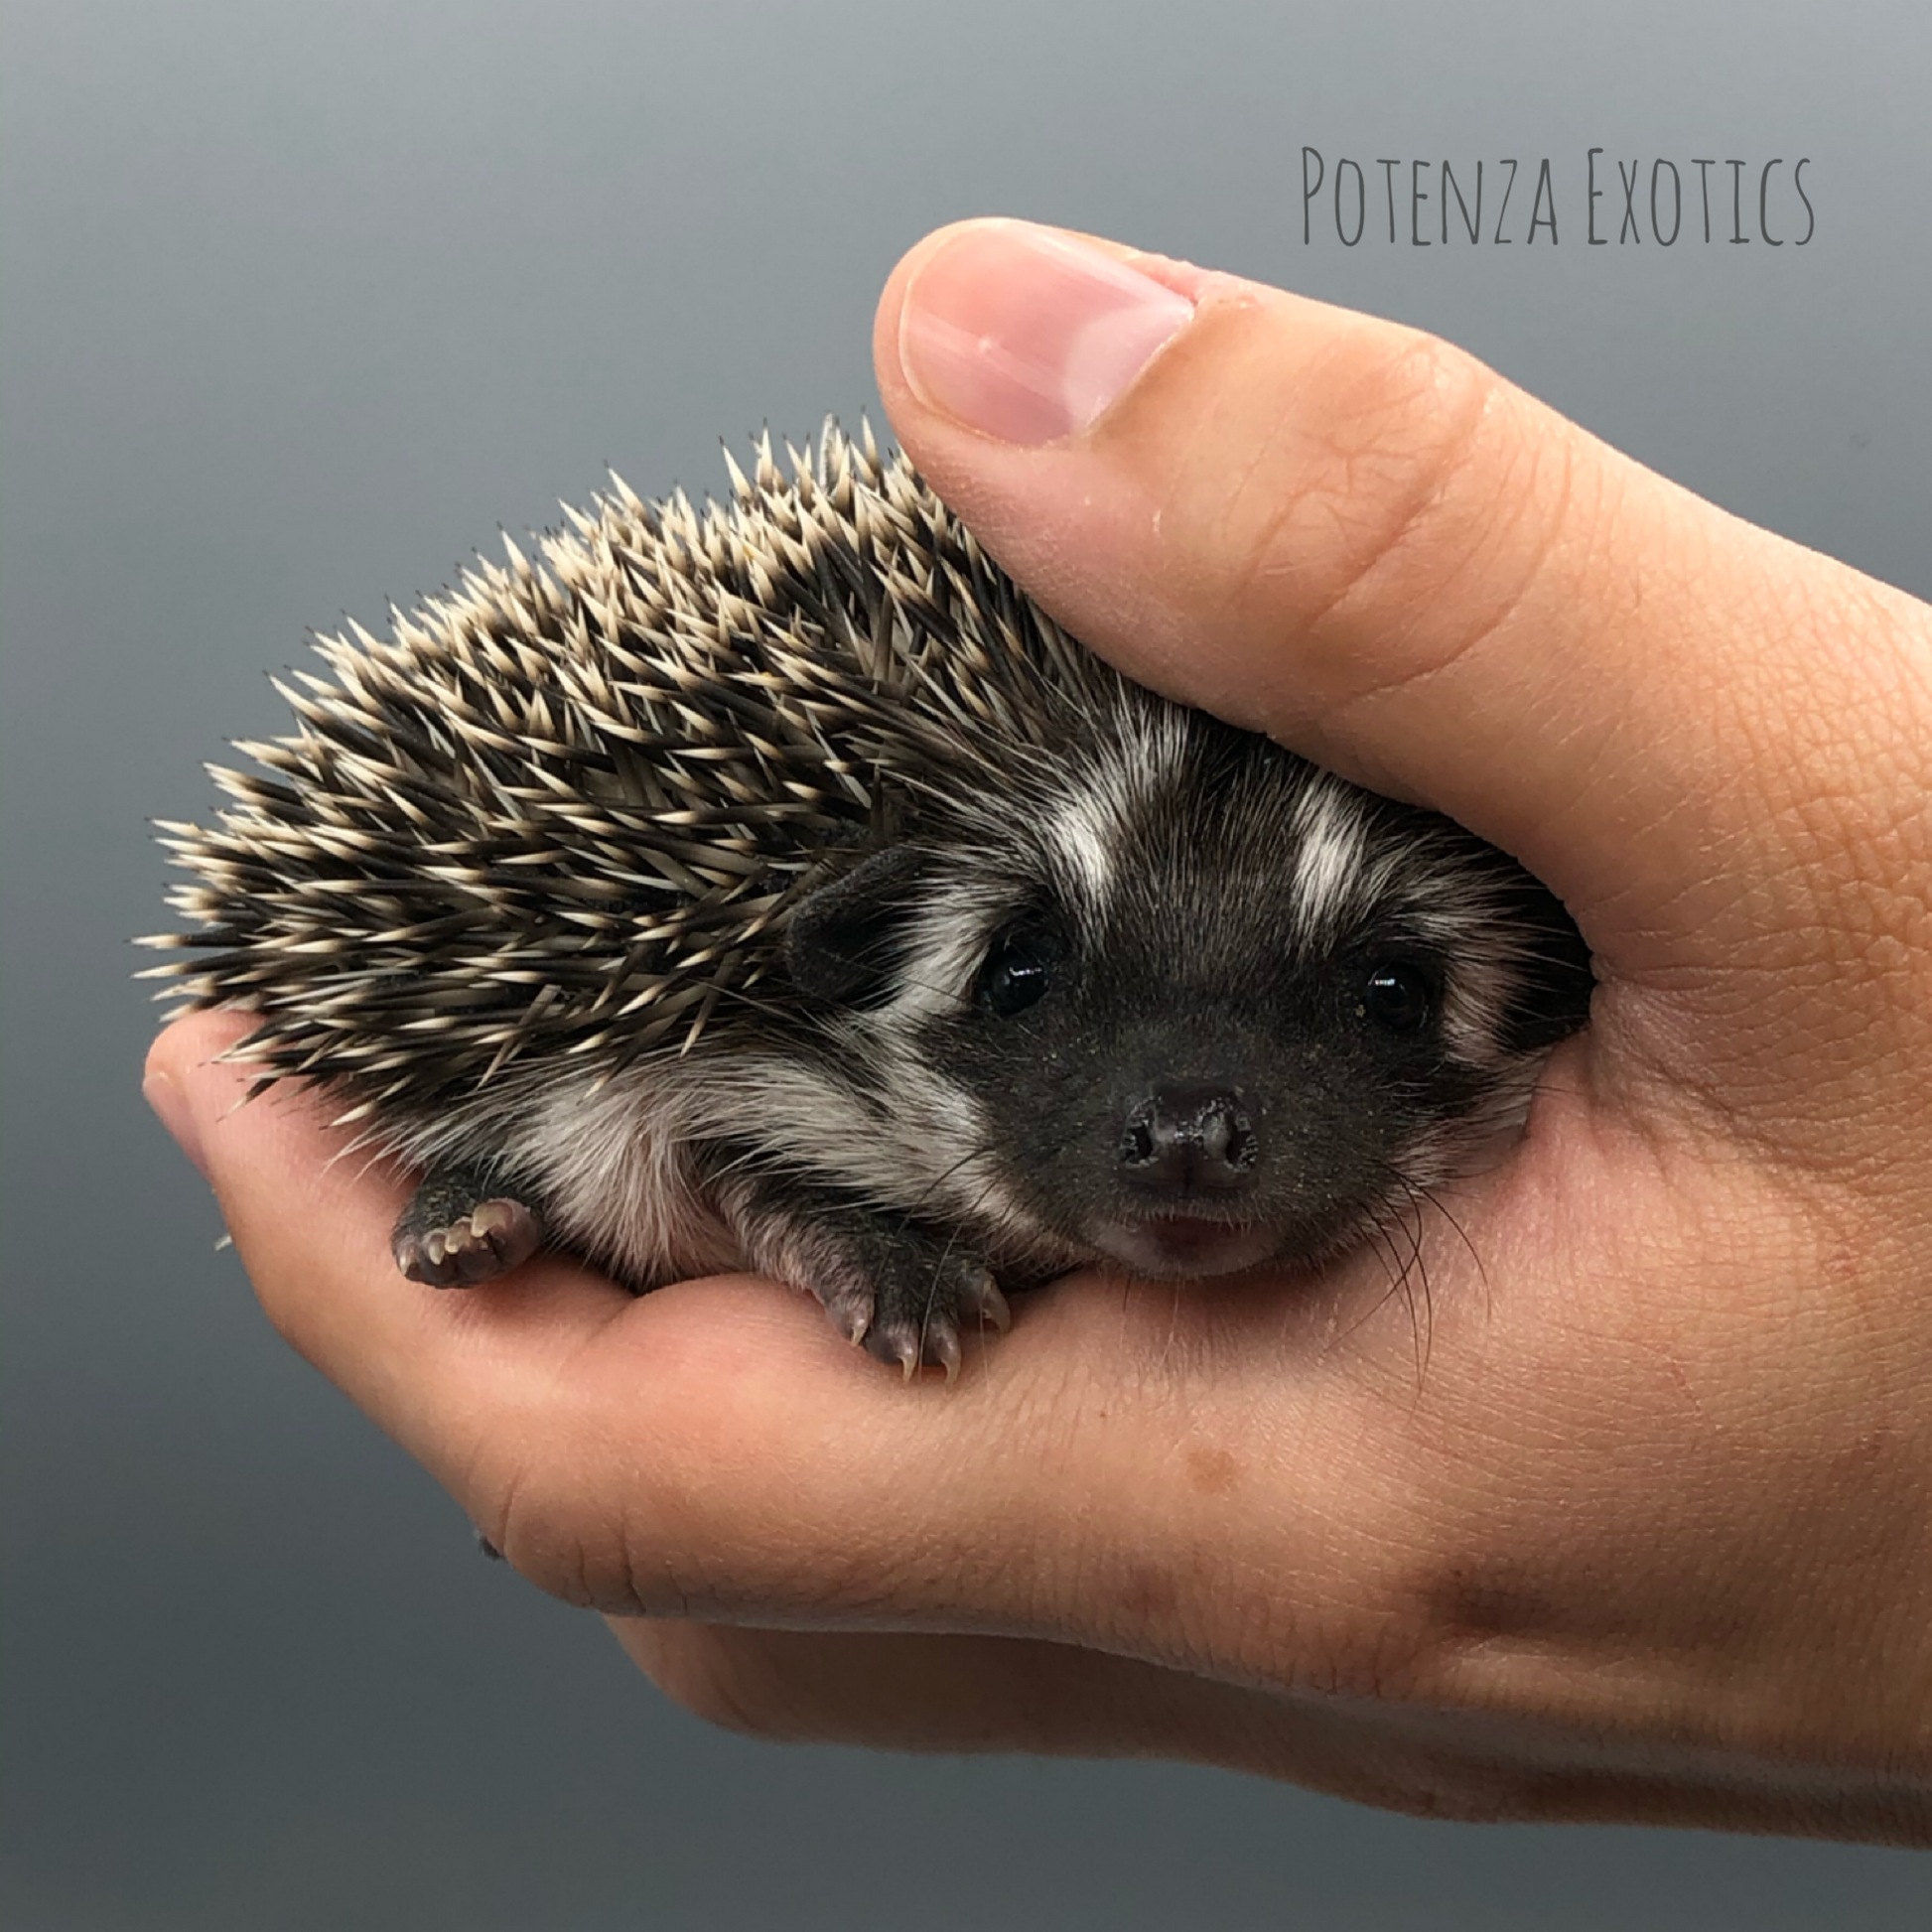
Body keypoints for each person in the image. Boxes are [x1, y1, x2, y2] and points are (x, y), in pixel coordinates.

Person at [143, 218, 1932, 1841]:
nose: (1190, 1125)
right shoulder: (771, 1041)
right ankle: (507, 1188)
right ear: (870, 980)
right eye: (1023, 986)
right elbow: (732, 1109)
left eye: (1382, 1000)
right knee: (624, 1133)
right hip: (676, 1068)